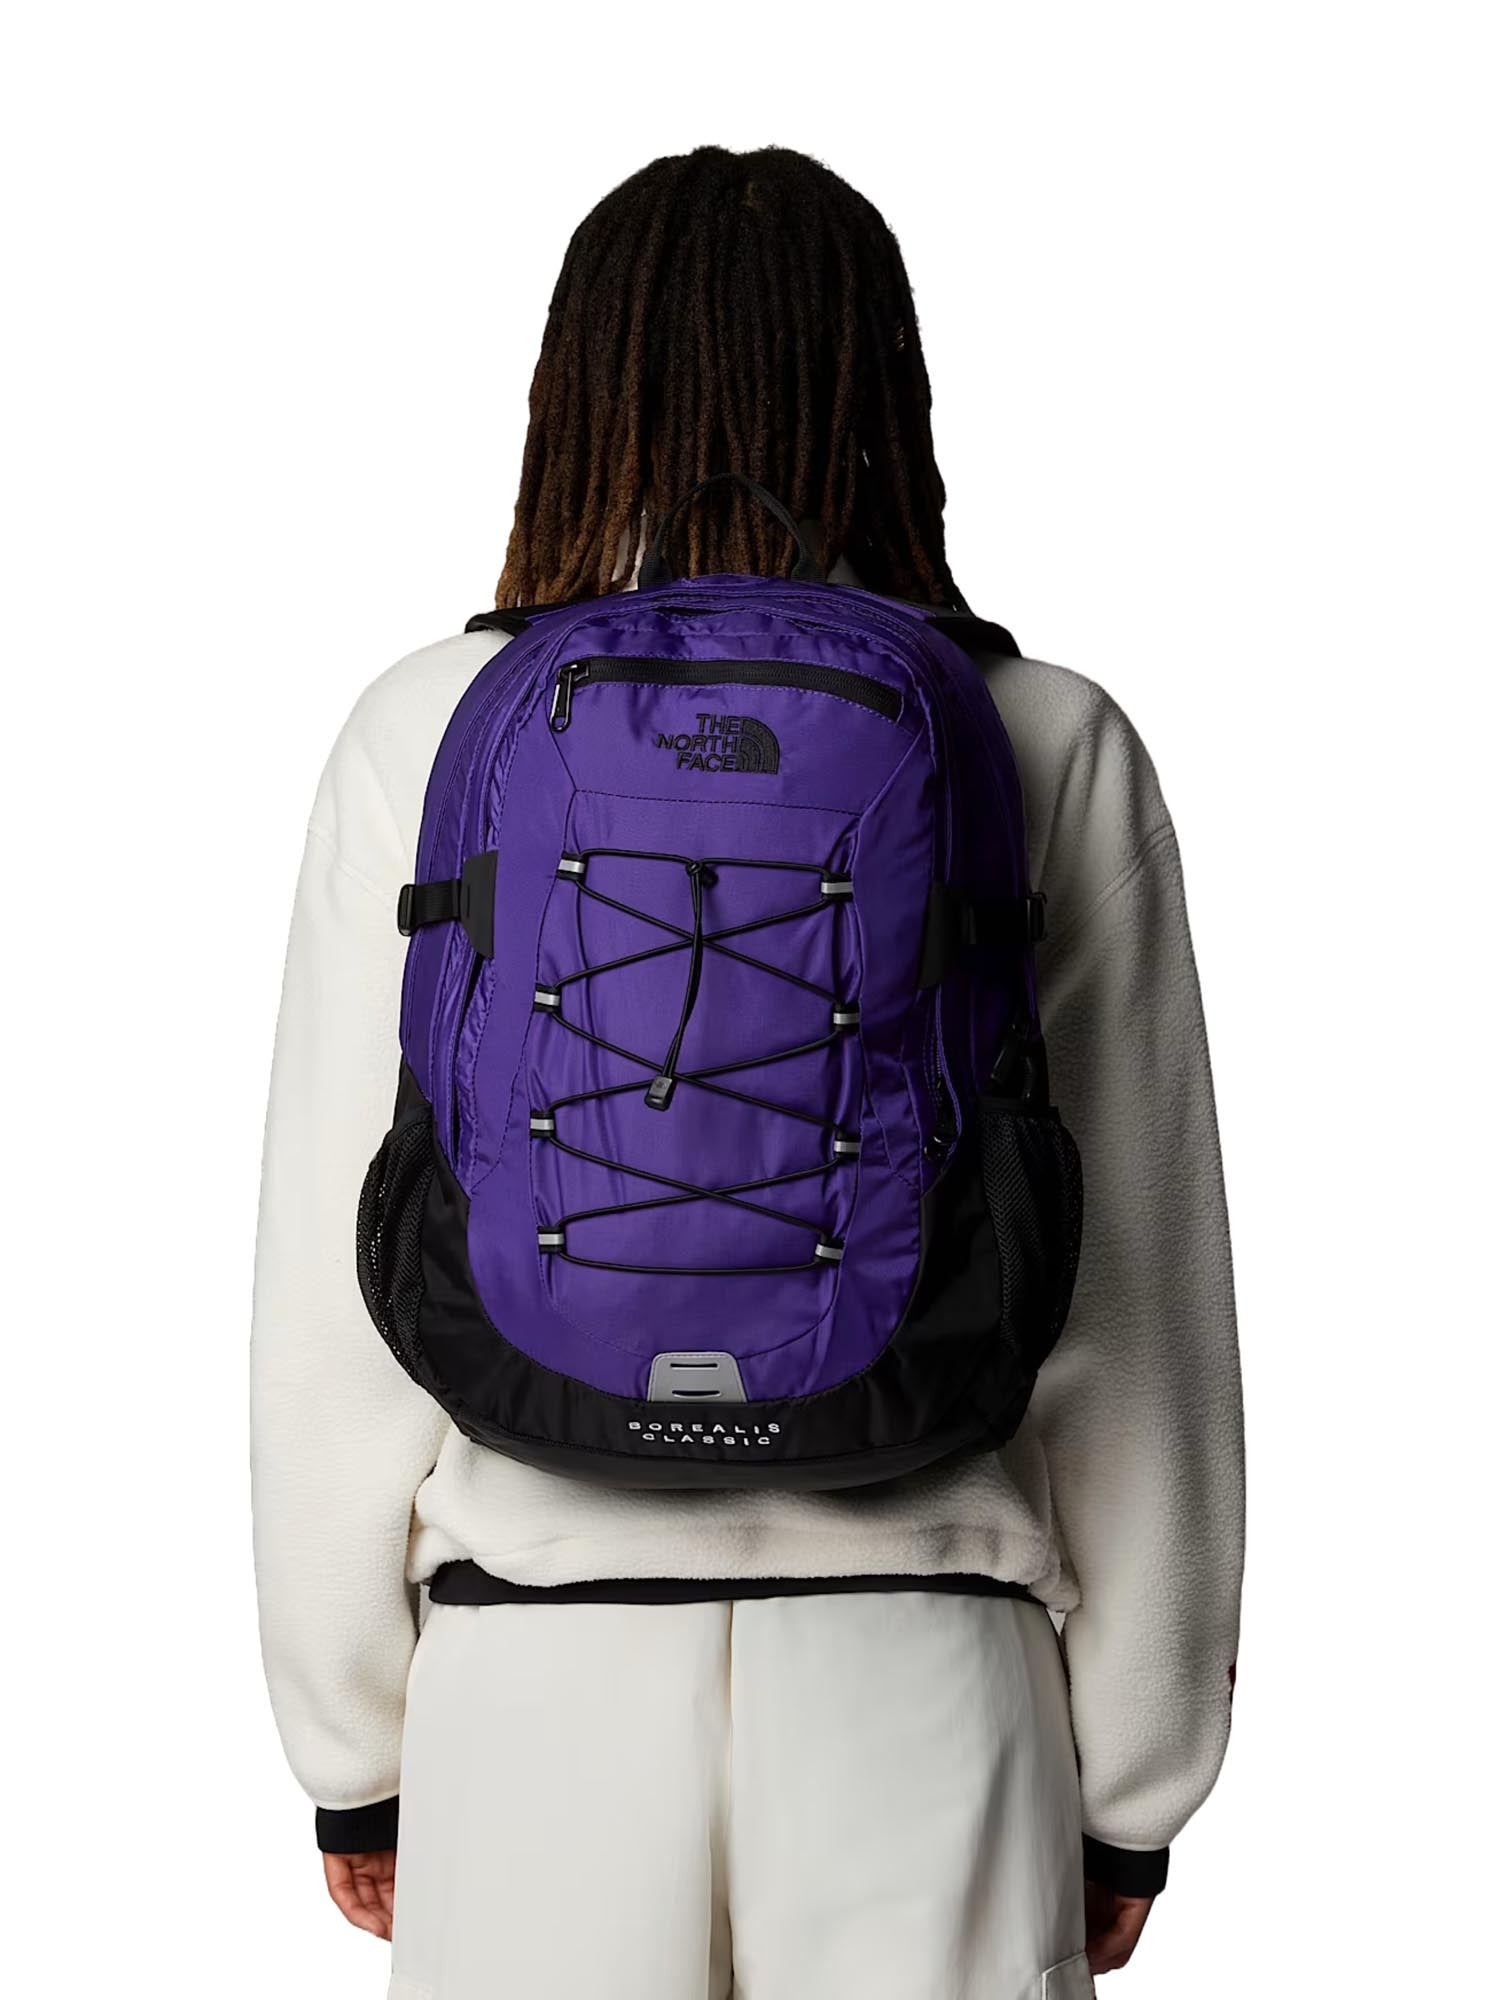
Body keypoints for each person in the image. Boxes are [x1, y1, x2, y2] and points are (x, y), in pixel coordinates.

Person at [251, 145, 1244, 2000]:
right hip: (928, 1673)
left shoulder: (426, 728)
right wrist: (1137, 1777)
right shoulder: (1048, 738)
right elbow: (1137, 1310)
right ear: (886, 394)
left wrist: (353, 1746)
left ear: (576, 393)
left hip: (531, 1680)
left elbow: (335, 1286)